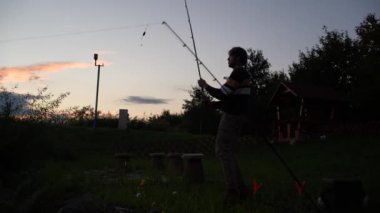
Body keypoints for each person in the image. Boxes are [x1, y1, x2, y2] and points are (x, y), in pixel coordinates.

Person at [198, 47, 251, 206]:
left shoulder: (239, 73)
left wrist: (206, 85)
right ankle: (242, 190)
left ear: (237, 58)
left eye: (229, 57)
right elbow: (231, 100)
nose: (227, 60)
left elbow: (223, 93)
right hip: (237, 117)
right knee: (229, 153)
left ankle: (232, 192)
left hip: (231, 119)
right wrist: (212, 105)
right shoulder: (243, 75)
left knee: (222, 151)